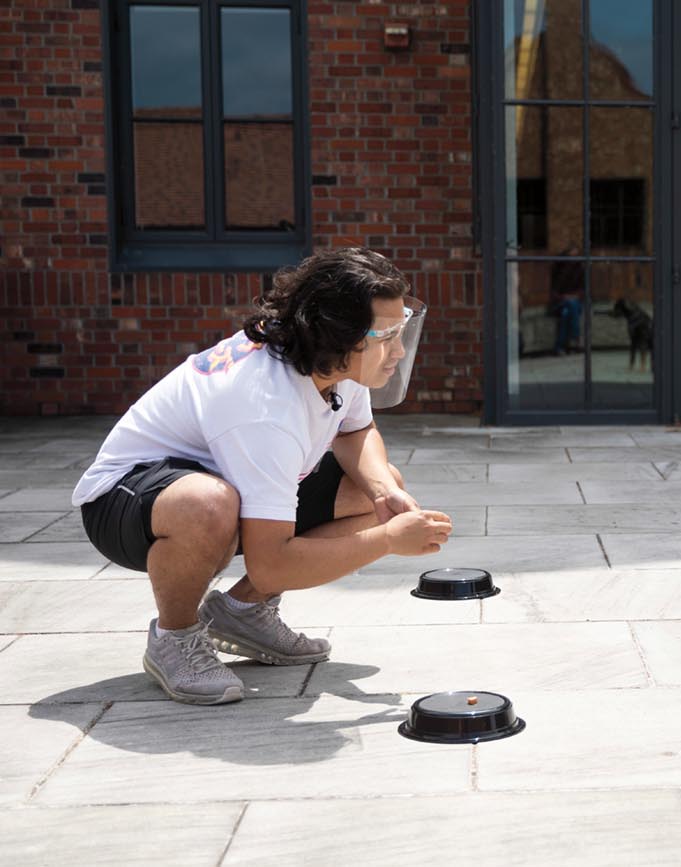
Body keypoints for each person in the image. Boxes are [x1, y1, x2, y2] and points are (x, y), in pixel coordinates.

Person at [72, 248, 453, 705]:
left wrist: (383, 491)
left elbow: (356, 432)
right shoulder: (264, 404)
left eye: (402, 329)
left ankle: (243, 611)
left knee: (374, 486)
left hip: (222, 482)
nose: (400, 349)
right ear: (337, 333)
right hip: (125, 500)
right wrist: (388, 540)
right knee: (208, 505)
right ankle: (174, 637)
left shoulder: (332, 361)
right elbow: (271, 562)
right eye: (387, 335)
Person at [549, 244, 584, 354]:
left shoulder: (581, 270)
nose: (573, 259)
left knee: (566, 312)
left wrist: (573, 297)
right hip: (560, 303)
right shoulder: (558, 270)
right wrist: (565, 297)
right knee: (567, 309)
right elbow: (553, 293)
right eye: (571, 256)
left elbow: (584, 291)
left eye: (576, 256)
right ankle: (575, 340)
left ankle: (560, 347)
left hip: (575, 303)